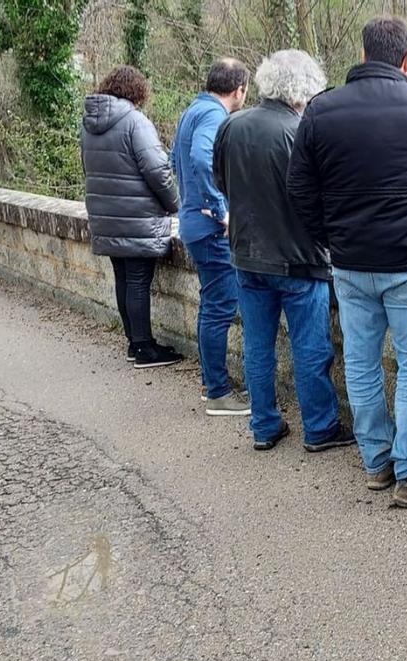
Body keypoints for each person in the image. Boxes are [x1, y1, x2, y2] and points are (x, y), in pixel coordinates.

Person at [287, 15, 407, 505]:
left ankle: (377, 463)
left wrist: (330, 238)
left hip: (349, 262)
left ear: (363, 56)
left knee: (362, 364)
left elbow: (299, 189)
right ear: (406, 60)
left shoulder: (320, 111)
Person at [212, 50, 356, 453]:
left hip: (246, 253)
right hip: (298, 258)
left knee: (258, 346)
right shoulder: (300, 131)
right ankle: (320, 427)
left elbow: (221, 181)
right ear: (305, 88)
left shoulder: (232, 126)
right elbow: (322, 198)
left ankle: (264, 425)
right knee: (311, 347)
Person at [79, 65, 183, 369]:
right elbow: (157, 171)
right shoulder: (136, 123)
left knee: (123, 278)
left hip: (105, 216)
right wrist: (175, 203)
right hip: (137, 218)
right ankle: (143, 348)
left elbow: (88, 169)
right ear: (137, 91)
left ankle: (133, 341)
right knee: (137, 281)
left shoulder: (88, 124)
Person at [172, 57, 251, 416]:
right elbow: (202, 159)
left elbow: (176, 160)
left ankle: (211, 384)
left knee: (210, 306)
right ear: (239, 90)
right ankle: (219, 392)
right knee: (220, 308)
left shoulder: (193, 110)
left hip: (191, 223)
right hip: (209, 229)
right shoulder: (213, 116)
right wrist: (220, 210)